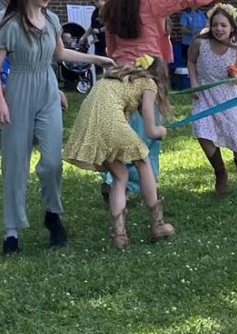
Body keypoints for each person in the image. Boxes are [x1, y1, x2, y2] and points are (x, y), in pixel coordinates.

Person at [0, 0, 113, 254]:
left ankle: (52, 215)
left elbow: (59, 54)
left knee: (52, 161)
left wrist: (98, 60)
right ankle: (11, 231)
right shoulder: (12, 26)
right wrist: (0, 101)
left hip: (47, 90)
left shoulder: (53, 19)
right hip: (18, 91)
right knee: (15, 162)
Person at [103, 0, 237, 196]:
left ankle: (113, 178)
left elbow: (110, 46)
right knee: (147, 130)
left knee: (121, 126)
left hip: (117, 74)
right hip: (146, 74)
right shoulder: (150, 1)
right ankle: (135, 185)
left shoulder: (113, 5)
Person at [63, 56, 174, 249]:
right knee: (143, 161)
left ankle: (119, 236)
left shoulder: (114, 76)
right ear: (159, 76)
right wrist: (161, 131)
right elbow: (150, 130)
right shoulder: (148, 83)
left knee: (120, 176)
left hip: (86, 125)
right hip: (109, 124)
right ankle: (158, 225)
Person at [188, 4, 237, 197]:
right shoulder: (200, 42)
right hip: (204, 96)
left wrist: (234, 74)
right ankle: (220, 172)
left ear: (231, 27)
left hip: (228, 98)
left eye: (223, 25)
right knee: (201, 130)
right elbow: (191, 62)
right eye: (215, 25)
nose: (219, 29)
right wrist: (194, 82)